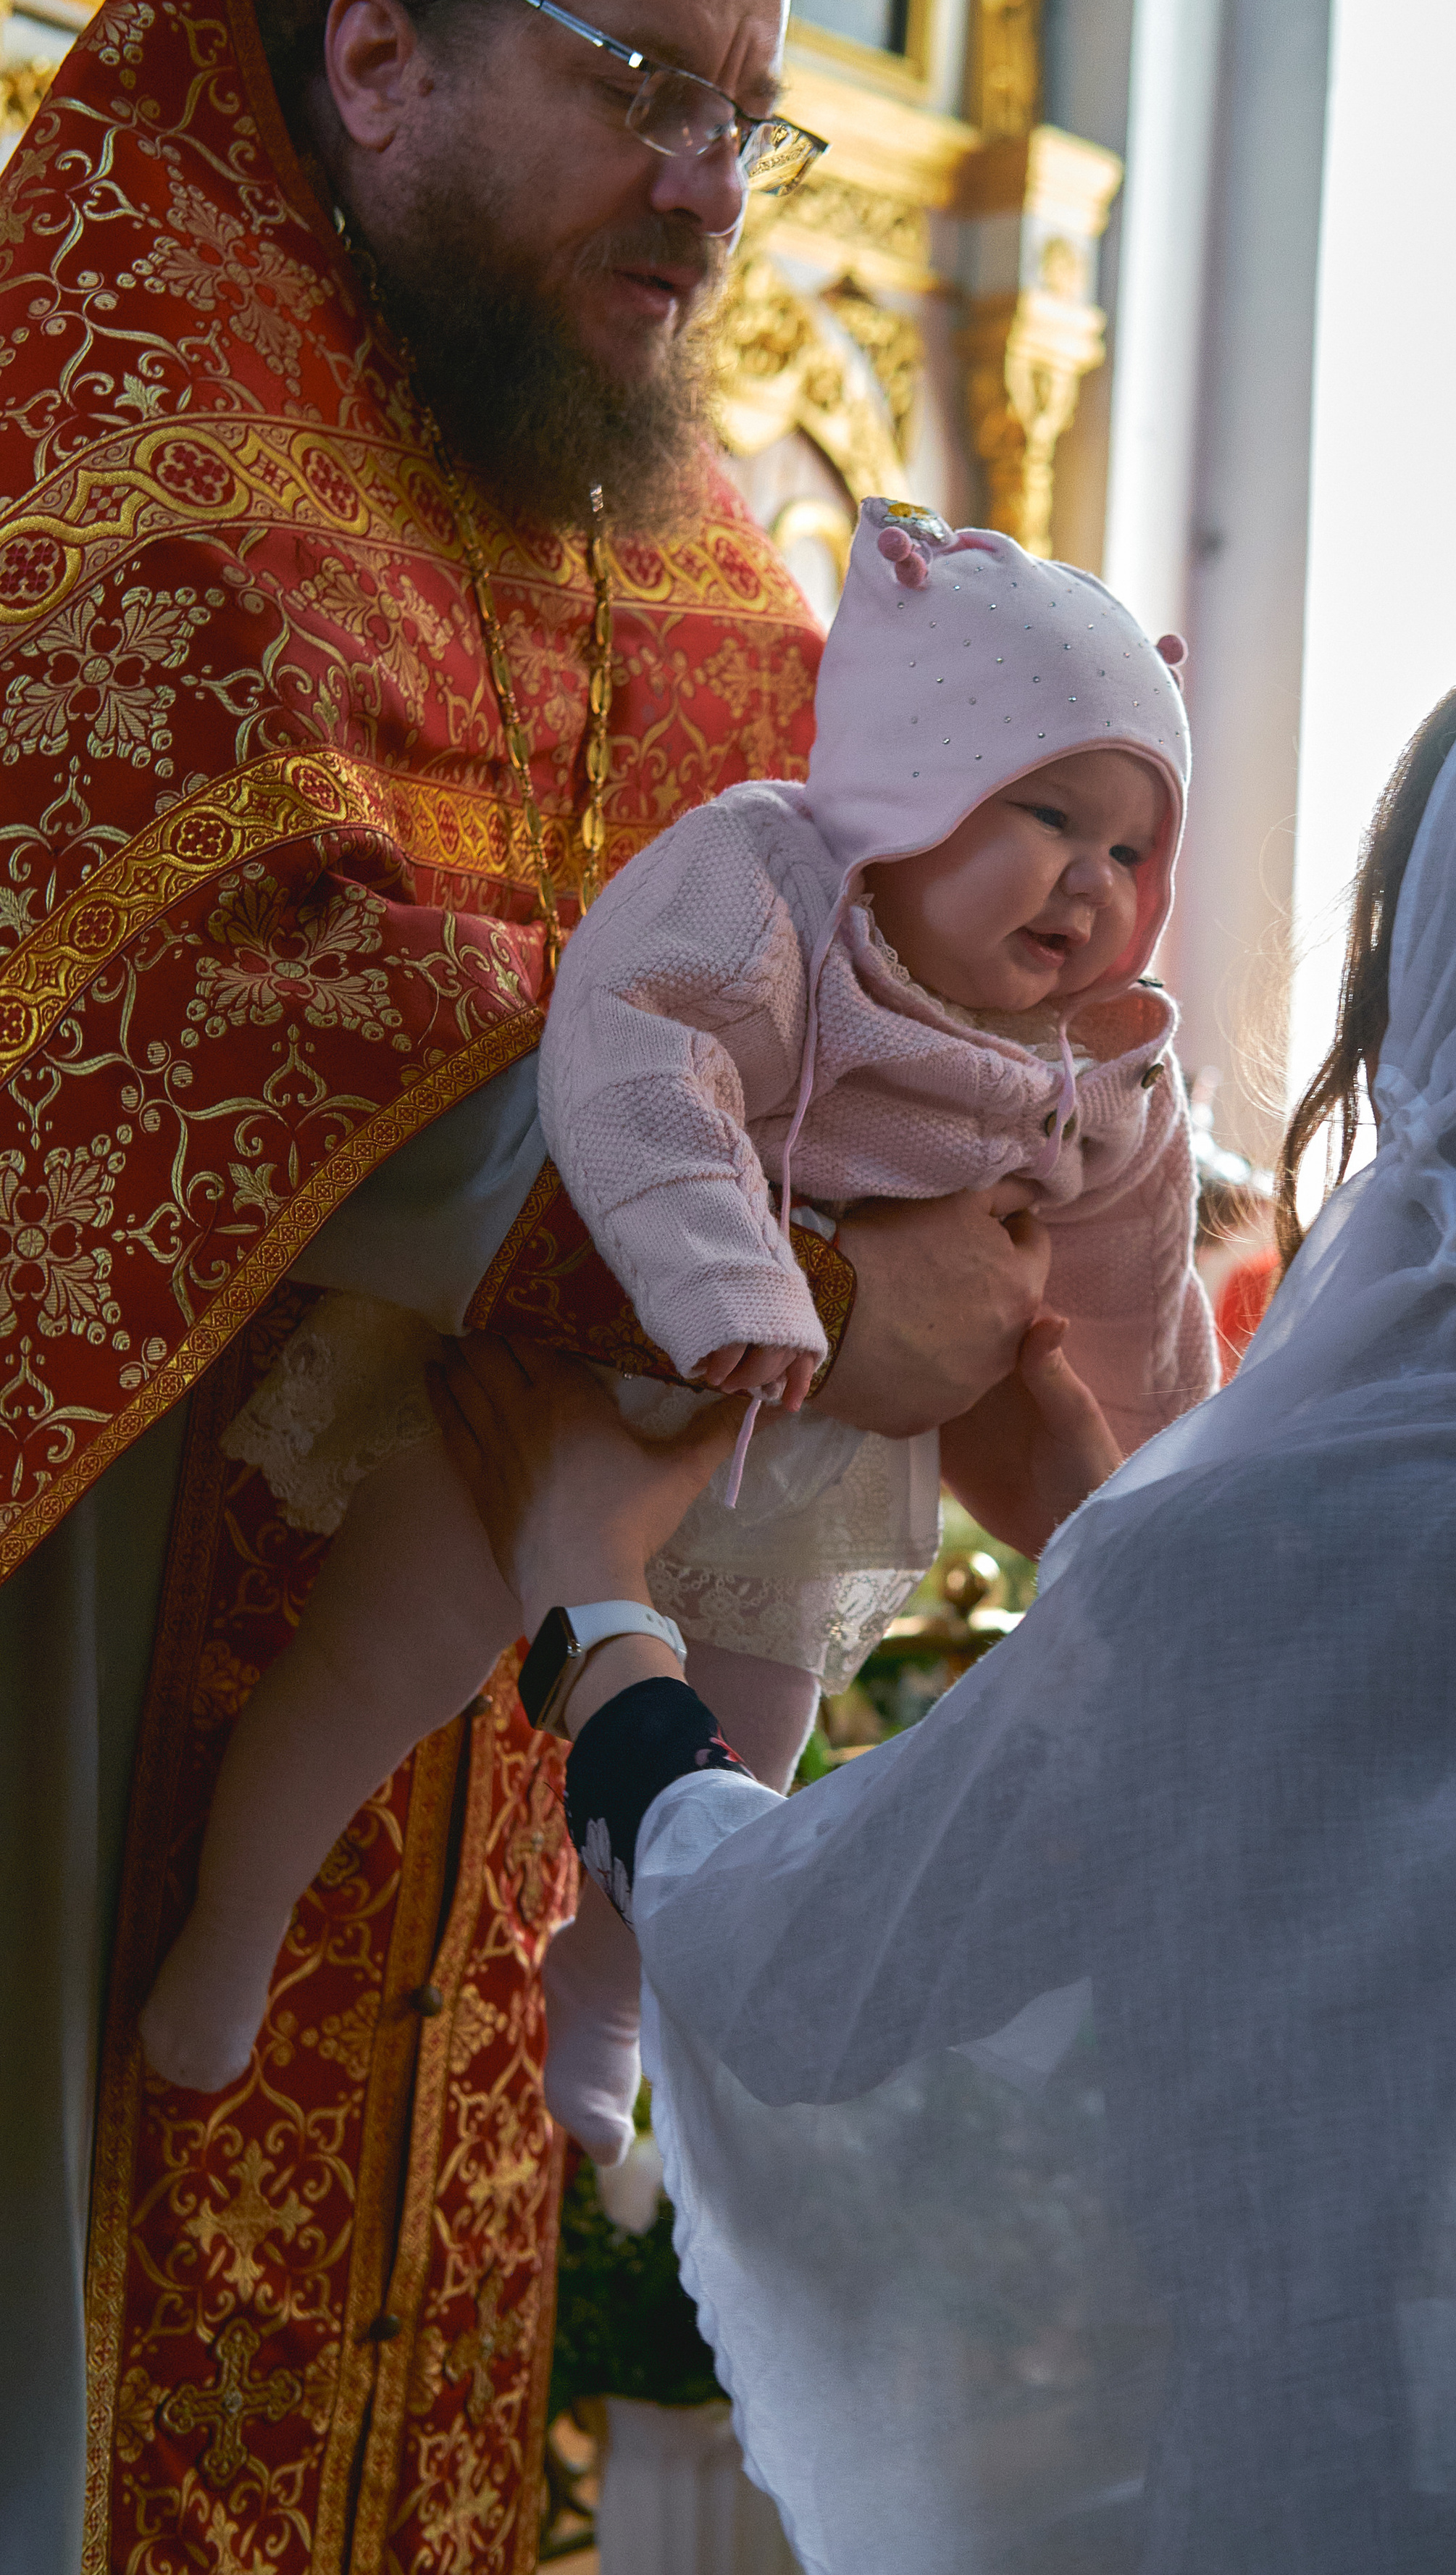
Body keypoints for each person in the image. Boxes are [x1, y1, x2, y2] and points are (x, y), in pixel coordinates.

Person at [0, 0, 1053, 2575]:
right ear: (378, 55)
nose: (719, 194)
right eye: (646, 92)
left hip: (484, 1776)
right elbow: (257, 1036)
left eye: (755, 118)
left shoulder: (680, 547)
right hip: (107, 1697)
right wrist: (823, 1259)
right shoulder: (136, 449)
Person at [436, 611, 1456, 2575]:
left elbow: (818, 1975)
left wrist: (598, 1609)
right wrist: (1125, 1540)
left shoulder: (1322, 1537)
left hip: (1365, 2556)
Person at [135, 498, 1212, 2158]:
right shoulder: (770, 886)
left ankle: (611, 1989)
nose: (1090, 879)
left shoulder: (1097, 1057)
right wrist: (742, 1287)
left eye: (1131, 851)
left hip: (805, 1450)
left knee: (742, 1750)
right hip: (595, 1366)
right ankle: (235, 1916)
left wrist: (1163, 1479)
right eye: (1046, 811)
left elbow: (1131, 1280)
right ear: (907, 786)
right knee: (385, 1651)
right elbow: (637, 1048)